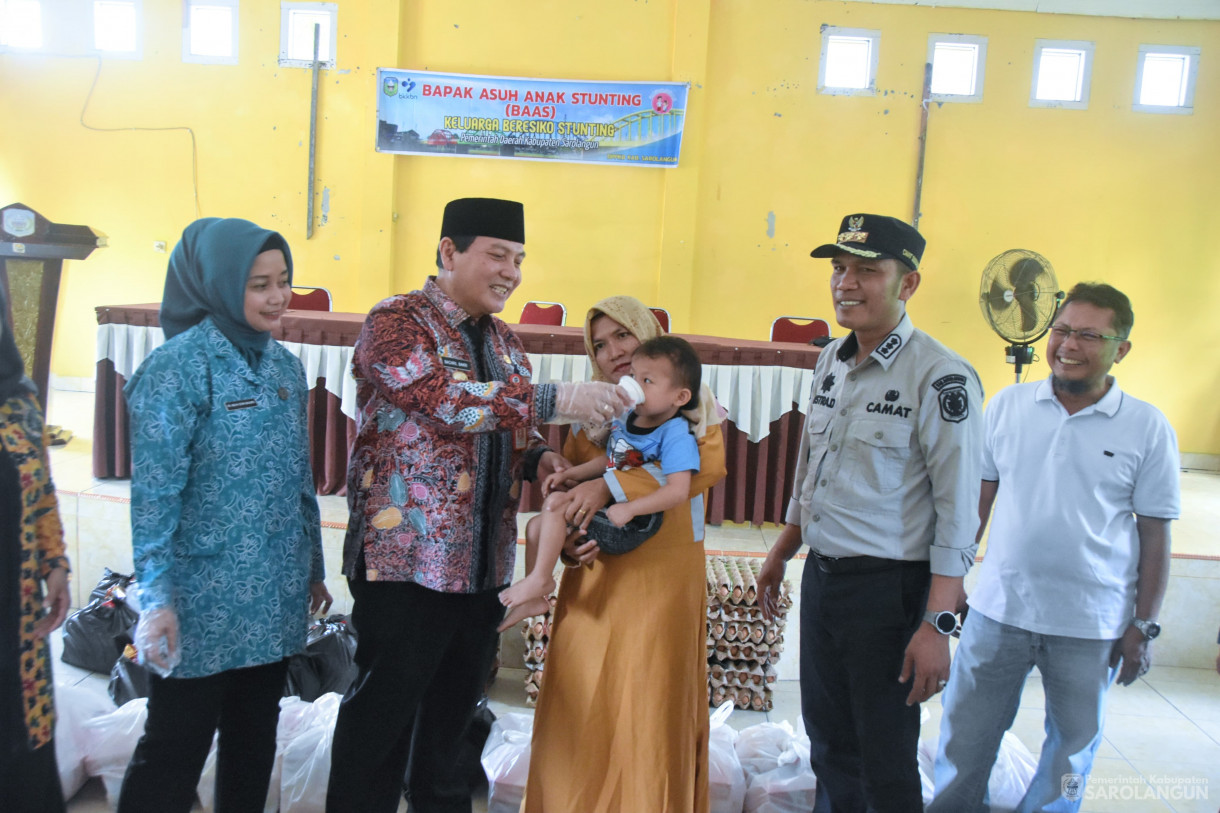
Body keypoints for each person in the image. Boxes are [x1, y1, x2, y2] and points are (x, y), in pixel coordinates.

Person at [325, 198, 630, 813]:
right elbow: (443, 401)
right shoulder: (397, 322)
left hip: (480, 569)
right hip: (406, 562)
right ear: (448, 253)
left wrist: (539, 459)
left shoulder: (506, 341)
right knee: (382, 720)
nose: (511, 272)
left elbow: (506, 430)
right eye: (497, 255)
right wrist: (557, 396)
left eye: (518, 259)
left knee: (458, 723)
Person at [756, 213, 984, 812]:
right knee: (829, 742)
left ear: (907, 284)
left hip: (889, 592)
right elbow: (814, 468)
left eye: (866, 270)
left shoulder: (940, 377)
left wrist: (937, 625)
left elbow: (958, 511)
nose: (845, 283)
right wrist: (783, 549)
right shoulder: (831, 359)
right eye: (838, 268)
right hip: (826, 582)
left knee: (883, 754)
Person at [930, 282, 1180, 813]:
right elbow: (978, 503)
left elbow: (1155, 532)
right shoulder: (1009, 405)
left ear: (1121, 349)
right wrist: (951, 583)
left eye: (1090, 334)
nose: (1069, 344)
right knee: (964, 739)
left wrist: (1144, 623)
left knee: (1071, 754)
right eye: (1062, 330)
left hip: (1092, 624)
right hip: (999, 611)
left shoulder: (1147, 426)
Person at [117, 218, 332, 813]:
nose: (277, 297)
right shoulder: (176, 369)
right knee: (174, 746)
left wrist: (312, 569)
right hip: (198, 601)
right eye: (258, 283)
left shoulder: (285, 368)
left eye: (284, 281)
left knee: (254, 737)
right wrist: (155, 598)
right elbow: (154, 499)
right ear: (217, 284)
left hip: (271, 594)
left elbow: (299, 480)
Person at [523, 296, 727, 813]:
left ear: (647, 335)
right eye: (599, 343)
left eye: (623, 336)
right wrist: (567, 544)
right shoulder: (593, 411)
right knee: (583, 696)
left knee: (648, 702)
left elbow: (706, 468)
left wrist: (610, 487)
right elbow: (566, 489)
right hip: (596, 575)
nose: (612, 351)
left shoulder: (691, 403)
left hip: (662, 573)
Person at [499, 334, 703, 630]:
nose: (635, 384)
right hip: (614, 512)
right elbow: (612, 459)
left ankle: (541, 580)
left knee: (555, 504)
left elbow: (678, 490)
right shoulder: (628, 418)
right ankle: (535, 596)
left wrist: (632, 509)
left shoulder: (676, 433)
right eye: (634, 376)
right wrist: (571, 474)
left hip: (635, 523)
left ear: (680, 397)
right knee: (535, 527)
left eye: (647, 381)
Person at [0, 286, 71, 813]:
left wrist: (56, 564)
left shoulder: (16, 398)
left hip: (15, 598)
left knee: (21, 721)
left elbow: (41, 491)